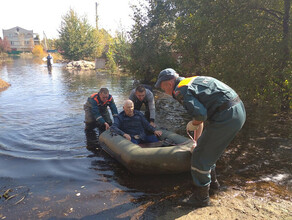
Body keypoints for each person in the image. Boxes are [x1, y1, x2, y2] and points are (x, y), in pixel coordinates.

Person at [155, 68, 246, 207]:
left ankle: (201, 198)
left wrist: (193, 124)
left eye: (162, 88)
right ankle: (214, 187)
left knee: (199, 157)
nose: (164, 91)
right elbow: (201, 117)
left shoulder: (180, 90)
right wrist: (196, 141)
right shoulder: (191, 81)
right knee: (206, 151)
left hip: (226, 116)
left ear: (168, 83)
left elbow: (200, 116)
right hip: (237, 110)